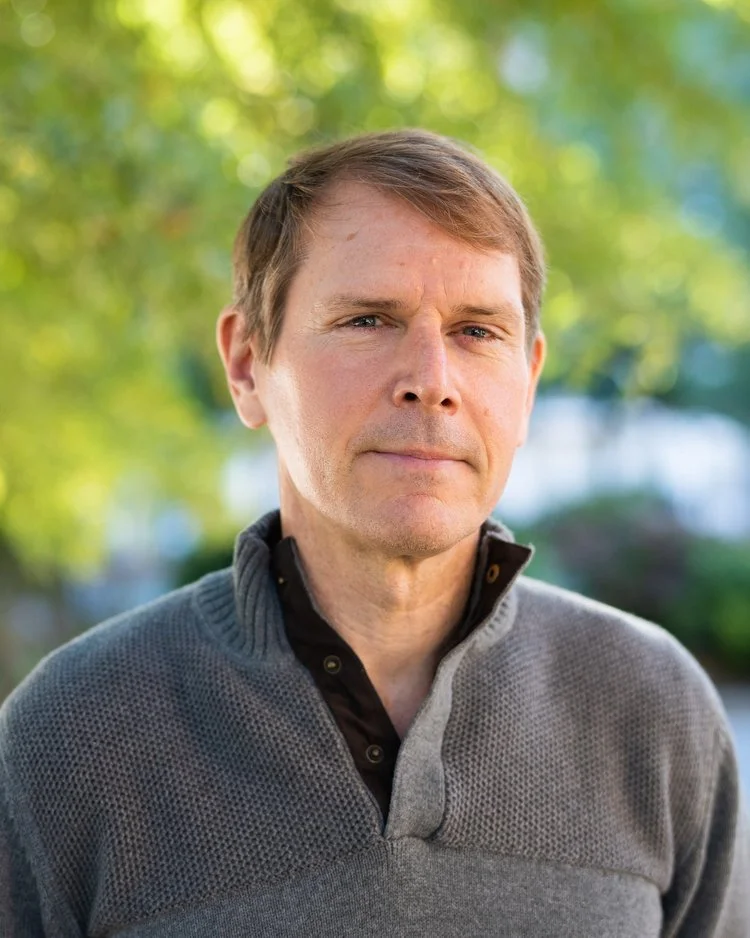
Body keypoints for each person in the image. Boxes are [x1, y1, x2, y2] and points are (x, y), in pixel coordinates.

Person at [1, 129, 747, 937]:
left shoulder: (652, 711)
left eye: (477, 332)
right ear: (248, 365)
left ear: (528, 382)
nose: (431, 381)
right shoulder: (72, 735)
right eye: (368, 320)